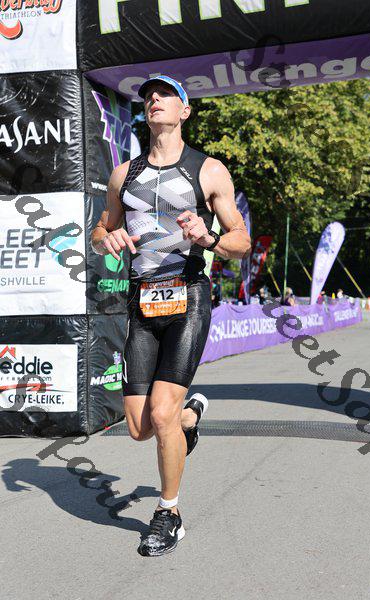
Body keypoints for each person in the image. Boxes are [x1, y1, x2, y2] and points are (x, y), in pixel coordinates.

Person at [90, 75, 251, 557]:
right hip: (141, 302)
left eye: (164, 95)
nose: (153, 100)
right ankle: (189, 416)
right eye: (148, 96)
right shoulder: (124, 175)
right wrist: (107, 239)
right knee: (141, 427)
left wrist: (209, 238)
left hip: (188, 298)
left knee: (159, 415)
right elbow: (100, 232)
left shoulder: (209, 171)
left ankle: (169, 514)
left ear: (185, 110)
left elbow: (240, 242)